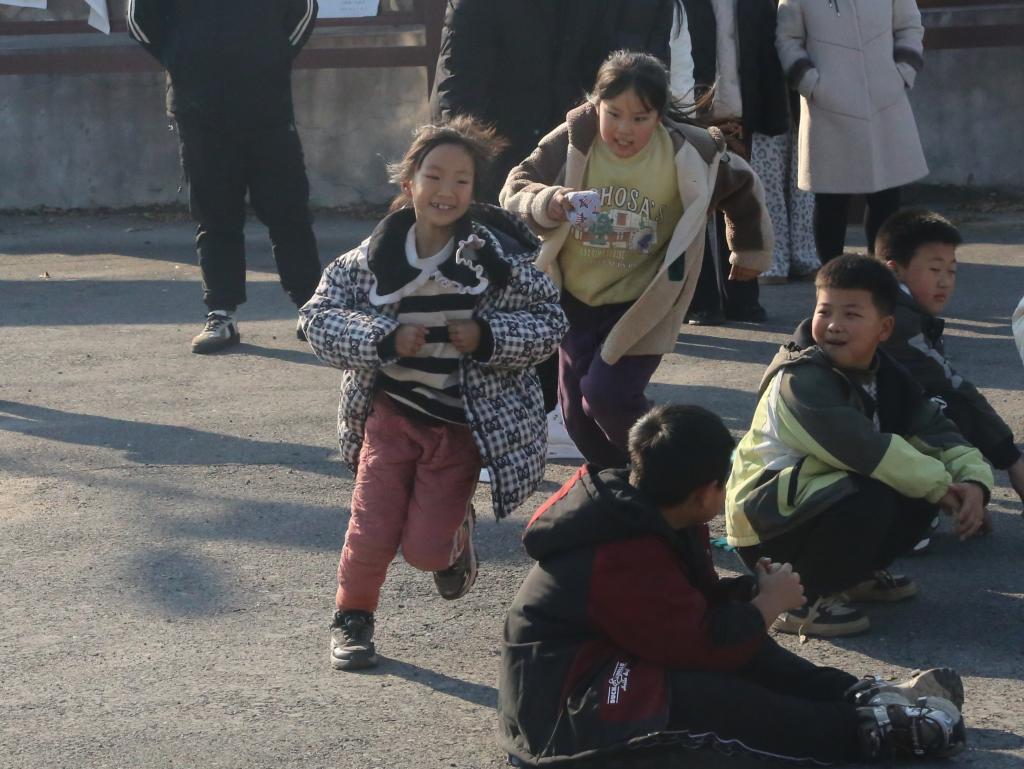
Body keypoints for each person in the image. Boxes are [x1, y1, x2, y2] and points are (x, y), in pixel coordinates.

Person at [499, 404, 967, 767]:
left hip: (619, 660)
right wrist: (765, 607)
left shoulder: (660, 515)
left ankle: (858, 696)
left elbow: (688, 613)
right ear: (705, 491)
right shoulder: (619, 548)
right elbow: (700, 647)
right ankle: (865, 732)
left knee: (747, 647)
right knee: (707, 698)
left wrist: (751, 594)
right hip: (566, 718)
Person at [300, 118, 567, 671]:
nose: (447, 190)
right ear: (409, 183)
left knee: (424, 551)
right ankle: (352, 617)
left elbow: (550, 320)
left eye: (461, 180)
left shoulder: (495, 260)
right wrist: (383, 338)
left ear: (473, 190)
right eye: (434, 176)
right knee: (371, 528)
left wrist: (489, 336)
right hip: (390, 417)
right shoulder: (372, 258)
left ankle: (453, 541)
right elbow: (317, 317)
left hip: (459, 429)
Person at [501, 51, 772, 469]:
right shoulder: (575, 136)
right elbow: (516, 184)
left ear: (659, 116)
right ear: (596, 104)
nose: (624, 129)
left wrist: (749, 251)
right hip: (575, 301)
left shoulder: (690, 151)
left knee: (607, 395)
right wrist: (548, 201)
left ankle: (676, 473)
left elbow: (742, 188)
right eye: (613, 113)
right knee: (576, 415)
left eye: (640, 118)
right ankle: (621, 482)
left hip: (643, 304)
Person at [726, 255, 994, 638]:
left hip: (810, 506)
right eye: (824, 311)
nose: (834, 324)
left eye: (851, 314)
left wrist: (974, 483)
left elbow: (936, 430)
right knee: (876, 491)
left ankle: (848, 578)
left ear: (885, 328)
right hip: (766, 528)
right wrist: (942, 488)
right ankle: (800, 601)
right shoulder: (800, 380)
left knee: (908, 489)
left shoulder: (888, 374)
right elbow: (865, 449)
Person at [127, 0, 323, 353]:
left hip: (267, 105)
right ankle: (221, 314)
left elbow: (304, 10)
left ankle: (313, 309)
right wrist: (183, 60)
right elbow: (139, 18)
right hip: (198, 109)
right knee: (215, 214)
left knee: (288, 210)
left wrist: (272, 56)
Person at [877, 209, 1024, 506]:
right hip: (853, 442)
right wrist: (1012, 459)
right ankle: (906, 505)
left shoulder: (896, 306)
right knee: (950, 408)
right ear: (894, 271)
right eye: (935, 270)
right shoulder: (897, 320)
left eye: (951, 271)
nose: (944, 282)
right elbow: (951, 384)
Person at [776, 0, 928, 263]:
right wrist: (811, 84)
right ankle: (830, 281)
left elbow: (910, 26)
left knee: (886, 198)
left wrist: (902, 73)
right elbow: (788, 39)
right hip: (827, 108)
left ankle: (882, 279)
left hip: (884, 104)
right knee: (830, 202)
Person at [675, 0, 797, 324]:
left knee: (741, 204)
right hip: (688, 113)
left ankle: (742, 298)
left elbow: (766, 53)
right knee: (692, 207)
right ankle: (701, 301)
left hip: (737, 115)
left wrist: (769, 113)